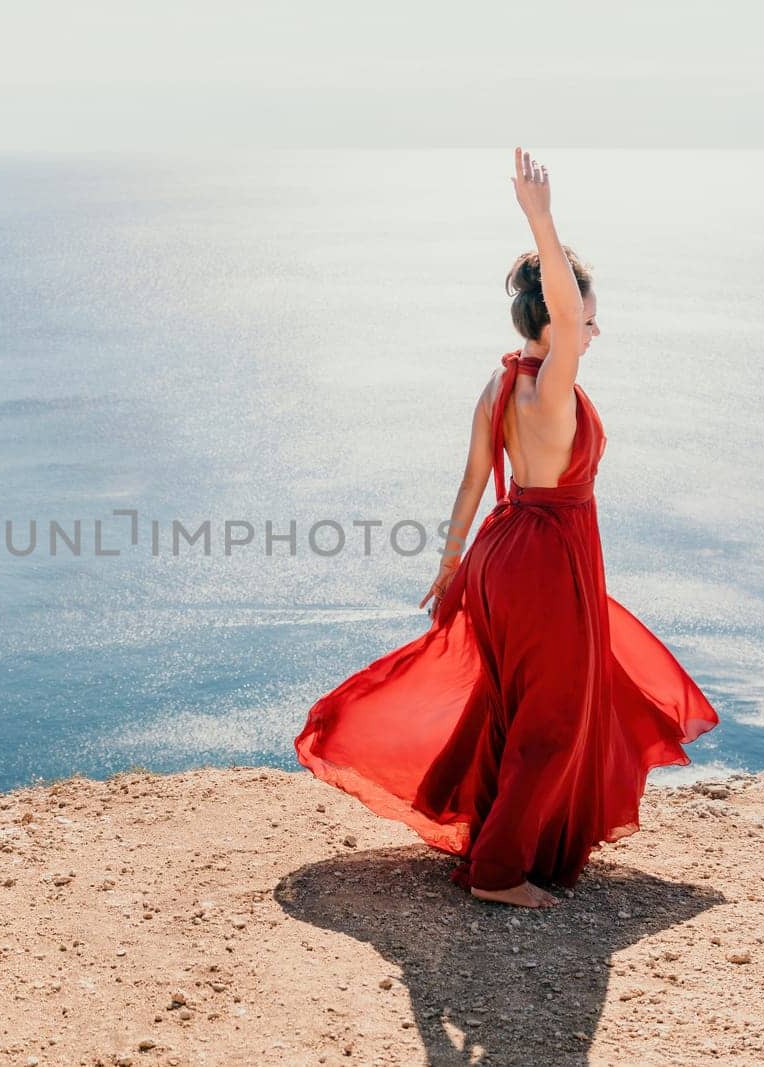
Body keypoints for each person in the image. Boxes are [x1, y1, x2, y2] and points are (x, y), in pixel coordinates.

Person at [293, 147, 720, 909]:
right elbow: (561, 306)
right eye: (589, 320)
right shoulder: (553, 389)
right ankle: (498, 871)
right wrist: (541, 220)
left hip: (500, 551)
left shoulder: (500, 382)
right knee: (552, 719)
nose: (594, 332)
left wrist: (451, 564)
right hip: (545, 562)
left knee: (517, 704)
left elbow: (468, 482)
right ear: (560, 321)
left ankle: (504, 834)